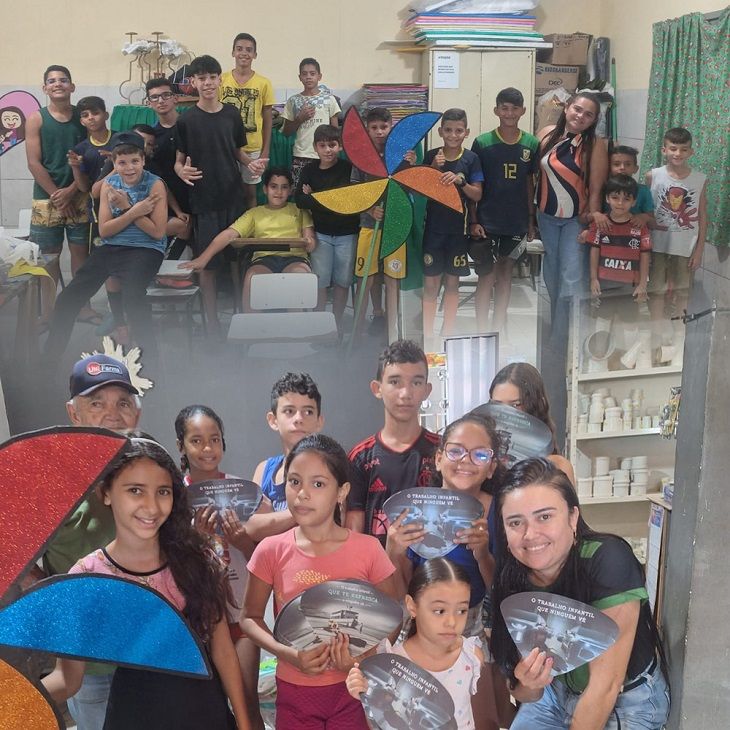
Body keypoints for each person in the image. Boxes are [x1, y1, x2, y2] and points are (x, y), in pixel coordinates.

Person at [42, 436, 250, 730]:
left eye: (162, 491)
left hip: (205, 713)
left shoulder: (198, 560)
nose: (151, 507)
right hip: (135, 716)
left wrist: (244, 723)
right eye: (135, 490)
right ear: (106, 492)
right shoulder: (87, 577)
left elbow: (223, 650)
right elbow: (67, 679)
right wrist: (14, 697)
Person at [490, 458, 670, 729]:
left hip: (627, 700)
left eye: (545, 517)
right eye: (515, 522)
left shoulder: (608, 560)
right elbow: (524, 694)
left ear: (573, 517)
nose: (530, 534)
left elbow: (605, 687)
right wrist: (530, 682)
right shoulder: (511, 579)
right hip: (556, 692)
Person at [241, 434, 396, 730]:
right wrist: (289, 655)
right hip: (294, 690)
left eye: (318, 484)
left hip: (354, 689)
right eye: (294, 481)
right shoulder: (270, 550)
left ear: (342, 491)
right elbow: (249, 618)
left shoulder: (368, 550)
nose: (302, 493)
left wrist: (360, 657)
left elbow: (392, 618)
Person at [37, 353, 143, 730]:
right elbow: (14, 564)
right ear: (74, 413)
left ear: (136, 413)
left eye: (122, 403)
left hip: (155, 654)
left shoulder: (150, 469)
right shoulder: (50, 484)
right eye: (97, 404)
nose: (112, 414)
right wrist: (57, 598)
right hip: (92, 666)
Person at [43, 132, 166, 362]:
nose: (129, 168)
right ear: (114, 163)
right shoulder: (110, 184)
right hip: (112, 246)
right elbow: (106, 230)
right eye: (122, 162)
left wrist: (126, 207)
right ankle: (47, 361)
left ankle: (150, 365)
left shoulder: (155, 184)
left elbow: (157, 232)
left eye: (135, 161)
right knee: (67, 299)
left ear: (143, 160)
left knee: (133, 299)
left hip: (146, 249)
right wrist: (134, 211)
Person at [174, 54, 266, 336]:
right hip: (204, 200)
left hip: (233, 196)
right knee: (208, 264)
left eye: (212, 77)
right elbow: (178, 161)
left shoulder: (231, 114)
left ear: (219, 80)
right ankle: (212, 322)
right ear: (193, 82)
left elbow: (236, 150)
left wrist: (249, 163)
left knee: (238, 260)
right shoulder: (186, 120)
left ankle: (243, 315)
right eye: (201, 78)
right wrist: (180, 171)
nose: (208, 83)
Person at [346, 559, 485, 730]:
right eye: (439, 611)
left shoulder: (471, 655)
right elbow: (379, 724)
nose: (452, 621)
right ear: (412, 606)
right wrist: (366, 695)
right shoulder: (391, 663)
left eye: (461, 610)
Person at [180, 167, 315, 312]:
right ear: (265, 189)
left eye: (284, 187)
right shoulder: (254, 213)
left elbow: (310, 242)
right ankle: (251, 324)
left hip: (295, 259)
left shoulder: (300, 210)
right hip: (264, 260)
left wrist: (310, 242)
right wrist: (203, 258)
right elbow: (229, 234)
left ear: (290, 191)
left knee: (297, 279)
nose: (279, 192)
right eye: (274, 186)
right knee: (252, 279)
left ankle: (294, 325)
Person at [536, 92, 609, 345]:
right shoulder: (546, 134)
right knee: (552, 277)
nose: (580, 116)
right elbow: (534, 176)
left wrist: (590, 227)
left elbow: (596, 190)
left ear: (594, 120)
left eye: (588, 114)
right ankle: (558, 331)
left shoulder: (595, 145)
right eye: (577, 109)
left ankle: (565, 340)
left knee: (571, 279)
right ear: (567, 107)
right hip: (546, 218)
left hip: (574, 221)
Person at [346, 339, 437, 543]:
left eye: (416, 383)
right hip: (377, 562)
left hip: (434, 563)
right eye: (395, 382)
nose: (406, 394)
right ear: (377, 388)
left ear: (427, 390)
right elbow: (354, 534)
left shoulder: (443, 452)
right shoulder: (359, 457)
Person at [25, 65, 97, 323]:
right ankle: (49, 312)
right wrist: (57, 195)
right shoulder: (37, 119)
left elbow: (92, 157)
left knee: (81, 255)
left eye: (63, 80)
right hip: (47, 199)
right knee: (49, 258)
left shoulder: (84, 117)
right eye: (52, 81)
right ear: (44, 88)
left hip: (79, 195)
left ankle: (83, 308)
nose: (58, 84)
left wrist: (71, 191)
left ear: (72, 86)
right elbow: (33, 162)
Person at [470, 88, 539, 335]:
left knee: (506, 272)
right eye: (505, 108)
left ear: (523, 111)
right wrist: (473, 219)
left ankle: (497, 329)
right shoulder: (482, 142)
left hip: (516, 221)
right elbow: (475, 184)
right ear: (496, 110)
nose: (509, 113)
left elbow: (530, 183)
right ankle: (481, 331)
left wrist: (530, 220)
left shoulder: (532, 143)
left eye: (514, 109)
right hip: (487, 220)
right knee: (486, 275)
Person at [351, 107, 416, 337]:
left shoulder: (402, 153)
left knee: (392, 278)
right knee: (365, 278)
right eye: (374, 128)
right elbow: (354, 191)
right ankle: (357, 332)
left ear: (391, 127)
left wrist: (410, 166)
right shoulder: (361, 156)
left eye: (384, 127)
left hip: (395, 226)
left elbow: (410, 187)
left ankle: (392, 332)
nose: (379, 132)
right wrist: (370, 209)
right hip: (369, 226)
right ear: (367, 129)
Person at [421, 108, 483, 343]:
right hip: (432, 231)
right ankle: (427, 333)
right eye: (448, 130)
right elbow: (421, 190)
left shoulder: (471, 159)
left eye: (458, 131)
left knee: (452, 282)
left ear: (466, 132)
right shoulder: (431, 155)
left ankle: (448, 331)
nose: (453, 135)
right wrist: (433, 168)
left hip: (458, 231)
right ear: (440, 131)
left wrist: (461, 181)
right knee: (431, 283)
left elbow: (477, 195)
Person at [295, 124, 359, 335]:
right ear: (315, 147)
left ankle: (336, 324)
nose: (328, 150)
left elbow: (348, 201)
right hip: (321, 234)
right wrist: (331, 199)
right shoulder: (309, 170)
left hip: (347, 234)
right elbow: (300, 201)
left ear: (340, 146)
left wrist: (315, 196)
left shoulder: (348, 168)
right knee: (320, 281)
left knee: (342, 281)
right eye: (322, 146)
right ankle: (319, 324)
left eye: (332, 145)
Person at [646, 127, 707, 327]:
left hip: (685, 248)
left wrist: (699, 250)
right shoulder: (653, 176)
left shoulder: (699, 179)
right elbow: (646, 211)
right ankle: (656, 332)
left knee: (683, 293)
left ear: (691, 152)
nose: (678, 153)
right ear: (664, 150)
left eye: (683, 149)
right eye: (673, 148)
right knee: (656, 291)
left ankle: (680, 334)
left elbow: (702, 216)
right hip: (657, 246)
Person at [479, 362, 576, 485]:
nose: (505, 413)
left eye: (515, 405)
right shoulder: (483, 459)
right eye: (497, 405)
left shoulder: (557, 466)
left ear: (536, 405)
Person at [219, 33, 275, 210]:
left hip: (252, 146)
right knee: (226, 190)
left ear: (255, 55)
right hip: (226, 145)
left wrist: (265, 151)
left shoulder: (263, 83)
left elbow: (268, 119)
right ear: (233, 52)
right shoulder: (221, 80)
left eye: (249, 50)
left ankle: (250, 225)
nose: (244, 53)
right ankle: (228, 223)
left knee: (249, 193)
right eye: (239, 49)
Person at [144, 77, 193, 259]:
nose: (161, 100)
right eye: (155, 97)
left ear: (175, 98)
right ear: (149, 102)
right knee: (168, 257)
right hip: (167, 201)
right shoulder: (151, 138)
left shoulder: (192, 127)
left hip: (196, 197)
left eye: (166, 95)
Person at [584, 174, 651, 304]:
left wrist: (643, 285)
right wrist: (593, 279)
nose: (620, 203)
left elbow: (645, 256)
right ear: (607, 198)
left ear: (634, 201)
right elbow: (594, 251)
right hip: (604, 284)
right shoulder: (599, 224)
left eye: (626, 199)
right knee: (603, 317)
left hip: (630, 287)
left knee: (627, 317)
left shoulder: (640, 226)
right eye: (615, 198)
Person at [282, 58, 341, 188]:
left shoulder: (329, 99)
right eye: (304, 74)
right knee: (300, 193)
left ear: (319, 76)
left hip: (324, 156)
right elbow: (286, 132)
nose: (308, 77)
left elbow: (335, 131)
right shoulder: (293, 101)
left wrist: (333, 154)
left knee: (324, 193)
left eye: (312, 73)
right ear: (300, 77)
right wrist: (299, 119)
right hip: (301, 155)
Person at [605, 145, 655, 228]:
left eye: (628, 164)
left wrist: (645, 217)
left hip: (634, 232)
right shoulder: (604, 188)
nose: (622, 168)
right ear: (609, 167)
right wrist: (597, 216)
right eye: (616, 164)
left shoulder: (643, 191)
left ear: (636, 168)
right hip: (607, 231)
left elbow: (652, 221)